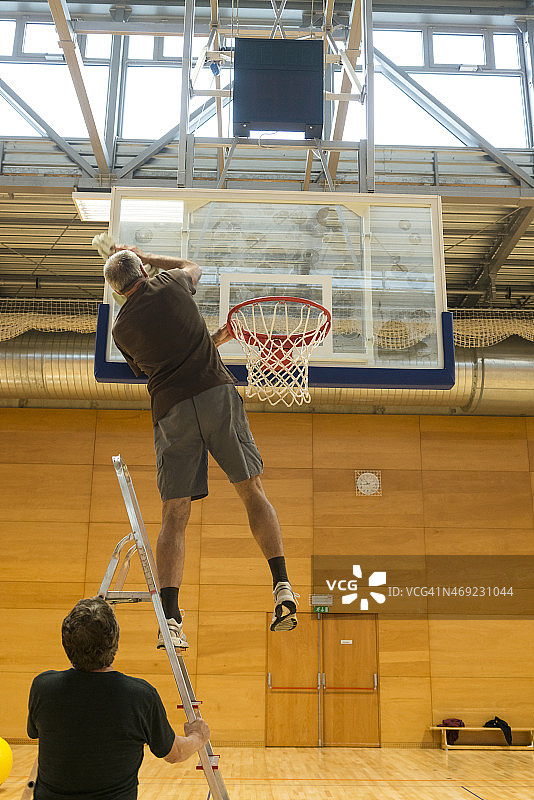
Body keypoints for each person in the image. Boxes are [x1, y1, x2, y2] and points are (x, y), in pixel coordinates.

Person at [103, 245, 298, 649]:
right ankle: (281, 585)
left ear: (118, 291)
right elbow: (194, 266)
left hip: (171, 411)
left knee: (174, 514)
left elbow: (163, 366)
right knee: (252, 491)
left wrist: (211, 342)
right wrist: (149, 255)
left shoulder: (120, 330)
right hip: (215, 394)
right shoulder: (172, 282)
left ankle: (171, 620)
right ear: (143, 270)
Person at [27, 596, 210, 800]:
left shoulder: (43, 687)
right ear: (114, 641)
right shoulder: (140, 696)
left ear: (66, 641)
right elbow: (175, 753)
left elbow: (35, 733)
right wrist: (198, 736)